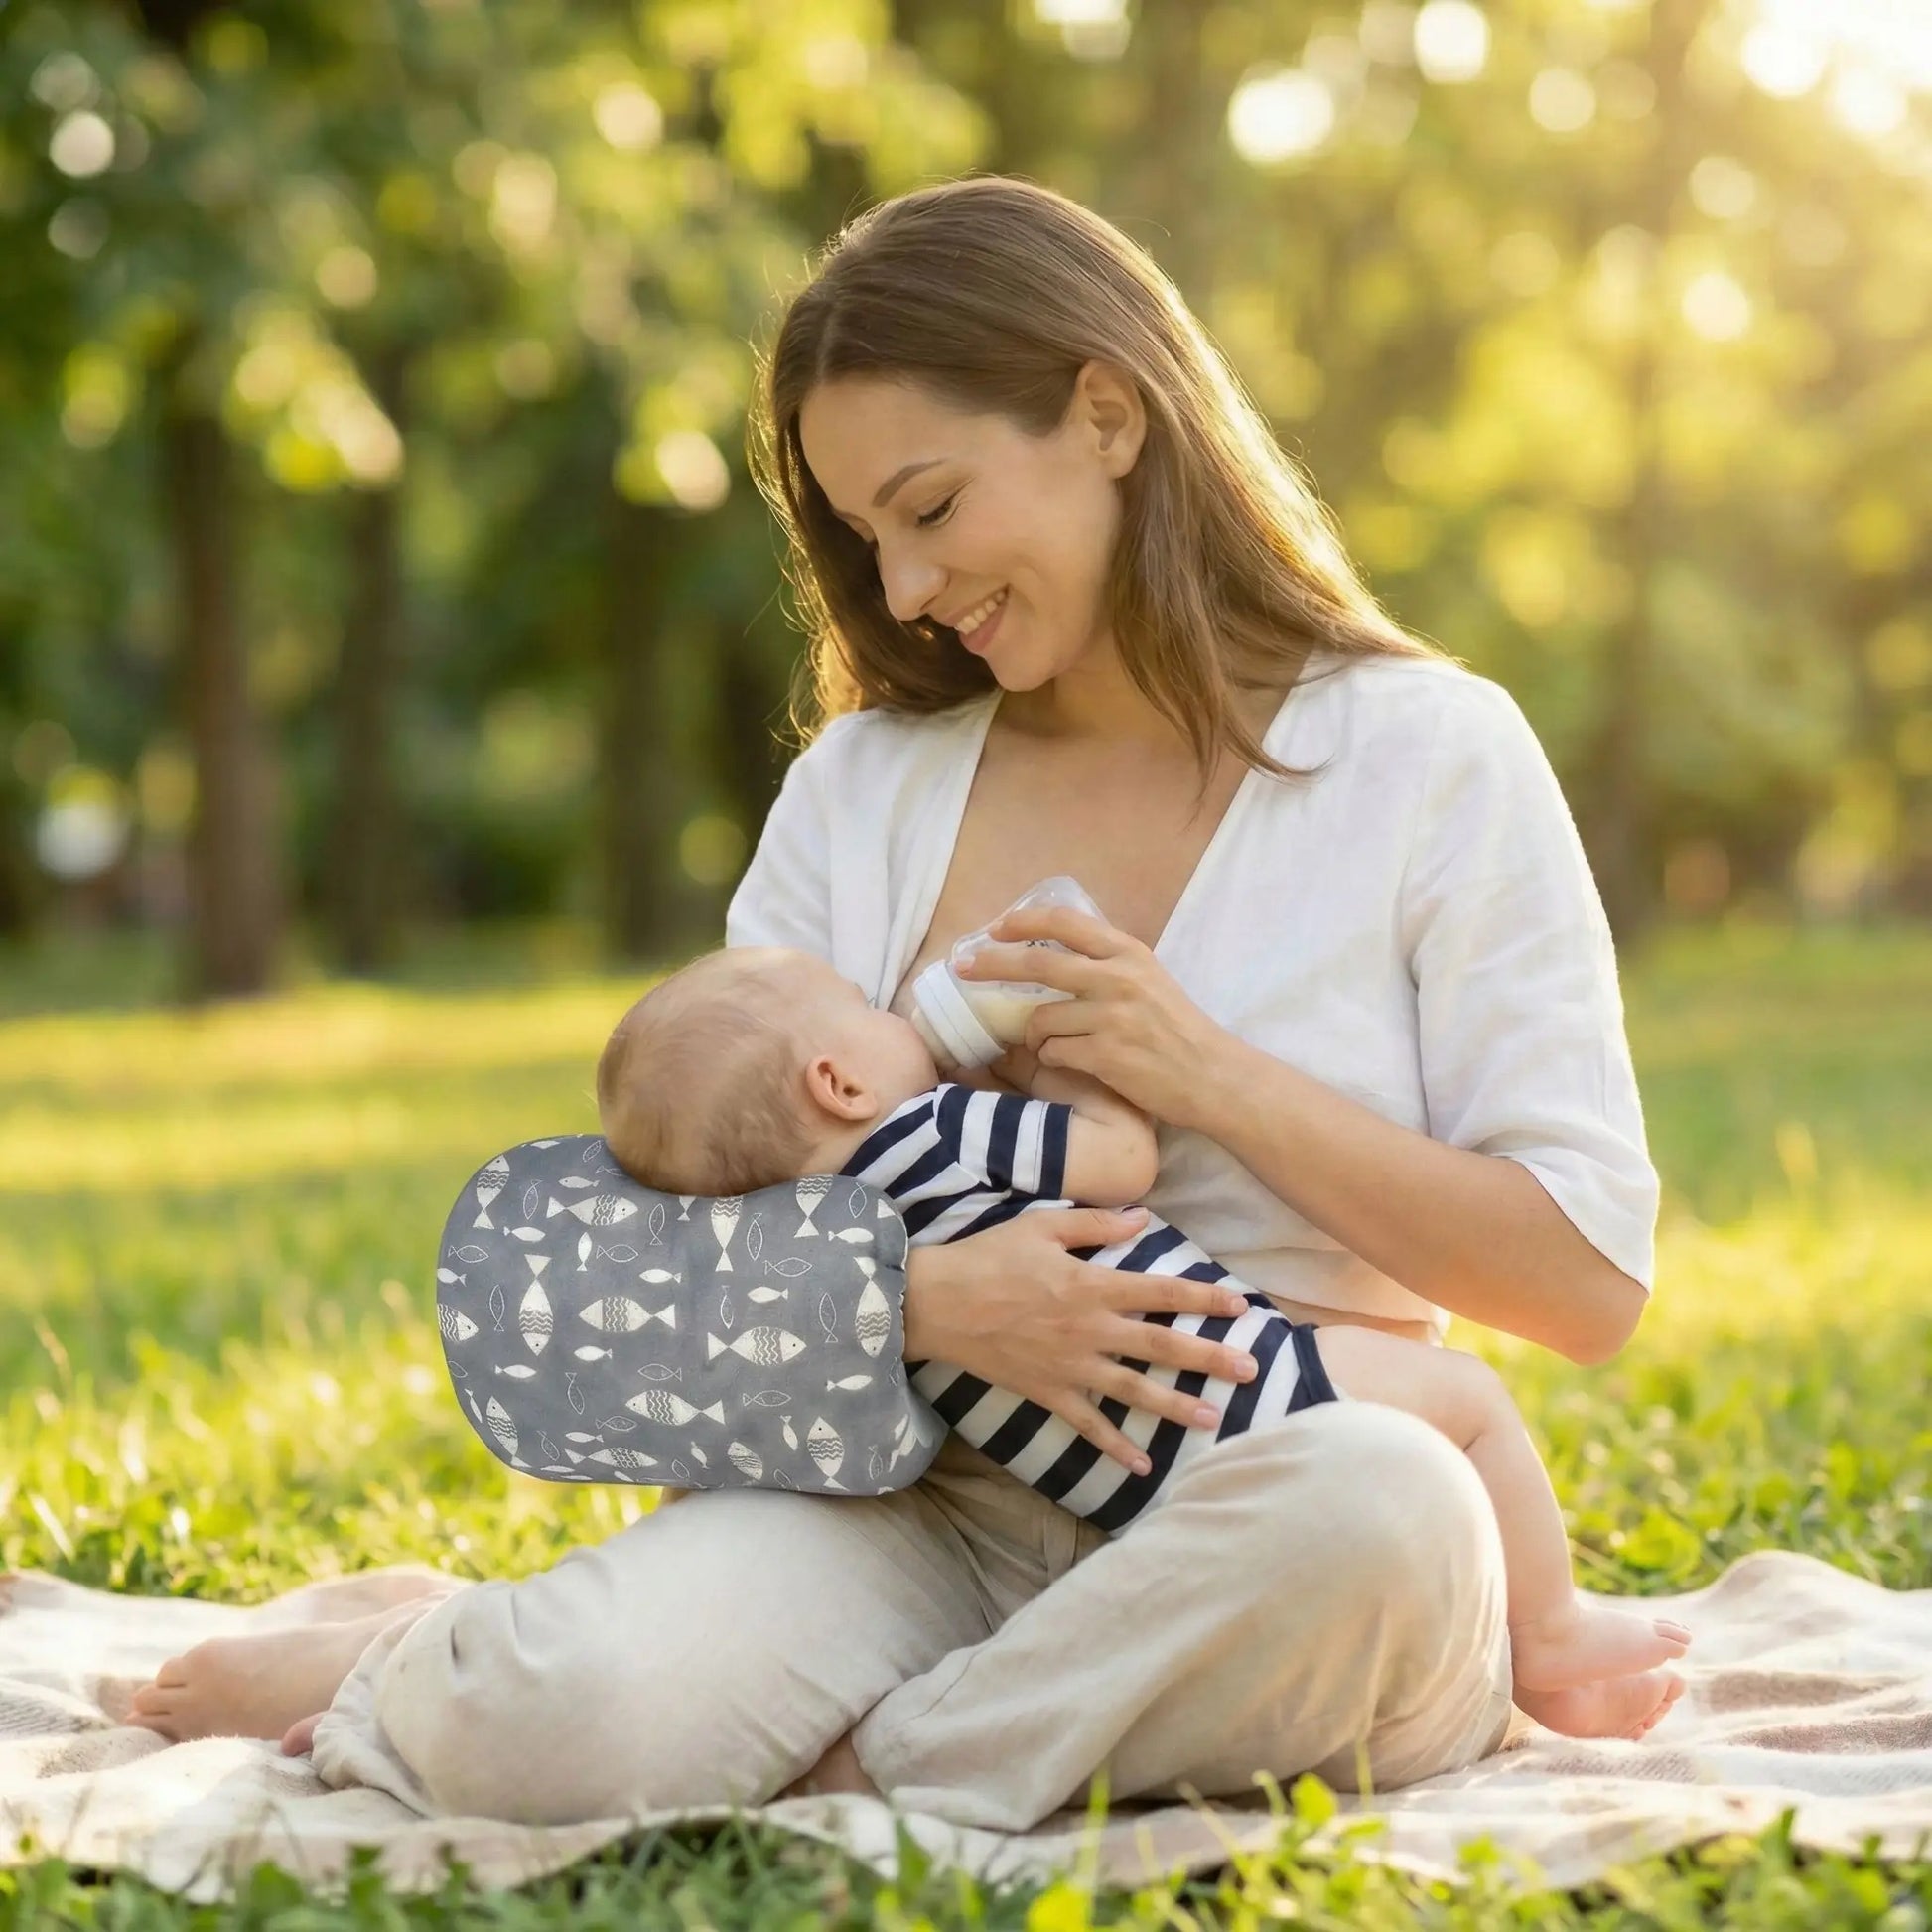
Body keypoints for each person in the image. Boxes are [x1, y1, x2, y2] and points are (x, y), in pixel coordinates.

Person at [130, 176, 1664, 1834]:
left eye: (931, 506)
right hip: (896, 1504)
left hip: (1259, 1493)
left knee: (1389, 1514)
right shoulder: (867, 787)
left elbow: (1581, 1280)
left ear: (1106, 413)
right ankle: (854, 1723)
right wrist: (921, 1304)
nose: (910, 585)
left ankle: (827, 1748)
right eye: (869, 538)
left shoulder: (1430, 757)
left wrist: (1208, 1078)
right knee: (565, 1724)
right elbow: (669, 1235)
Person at [594, 945, 1686, 1739]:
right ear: (836, 1082)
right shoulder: (927, 1125)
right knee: (1464, 1396)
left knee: (1379, 1498)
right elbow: (1115, 1159)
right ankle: (1547, 1629)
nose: (897, 1015)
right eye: (860, 1007)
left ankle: (909, 1737)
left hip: (1113, 1487)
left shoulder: (806, 1238)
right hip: (1243, 1384)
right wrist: (1058, 1047)